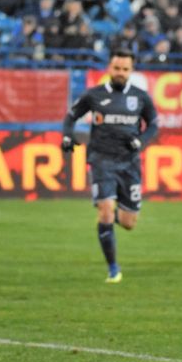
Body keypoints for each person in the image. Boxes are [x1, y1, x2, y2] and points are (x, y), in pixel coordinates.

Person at [61, 49, 158, 283]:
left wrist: (141, 141)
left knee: (128, 223)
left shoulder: (141, 97)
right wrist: (67, 136)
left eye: (125, 69)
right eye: (116, 68)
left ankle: (112, 212)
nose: (120, 73)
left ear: (131, 70)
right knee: (105, 210)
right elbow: (71, 116)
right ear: (109, 68)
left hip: (129, 163)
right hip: (101, 160)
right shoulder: (94, 95)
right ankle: (113, 268)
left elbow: (154, 124)